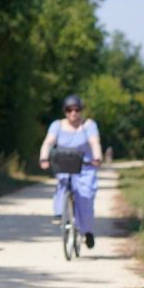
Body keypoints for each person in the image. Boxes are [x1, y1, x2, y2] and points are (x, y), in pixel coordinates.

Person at [38, 94, 103, 248]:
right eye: (69, 110)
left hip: (85, 168)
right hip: (65, 165)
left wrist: (97, 157)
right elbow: (48, 142)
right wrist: (43, 158)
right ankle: (59, 212)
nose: (73, 113)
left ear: (81, 110)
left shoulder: (88, 125)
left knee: (85, 199)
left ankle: (87, 231)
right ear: (65, 111)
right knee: (62, 184)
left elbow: (95, 143)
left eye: (77, 109)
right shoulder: (57, 125)